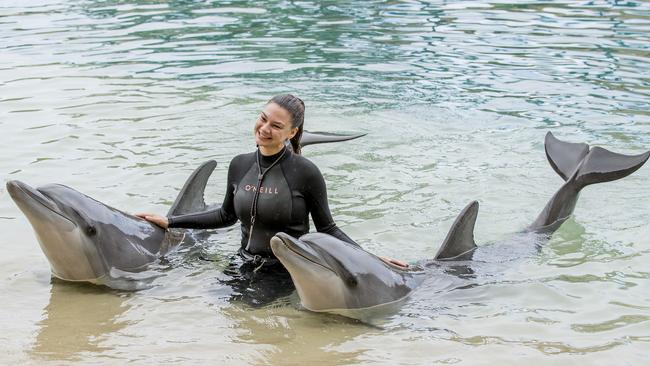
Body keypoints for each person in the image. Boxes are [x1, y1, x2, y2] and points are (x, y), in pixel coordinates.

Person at [137, 94, 407, 275]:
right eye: (263, 118)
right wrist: (170, 221)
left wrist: (371, 259)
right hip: (241, 263)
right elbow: (225, 215)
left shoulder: (306, 172)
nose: (264, 128)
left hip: (286, 272)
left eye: (276, 126)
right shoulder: (240, 164)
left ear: (292, 133)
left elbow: (328, 229)